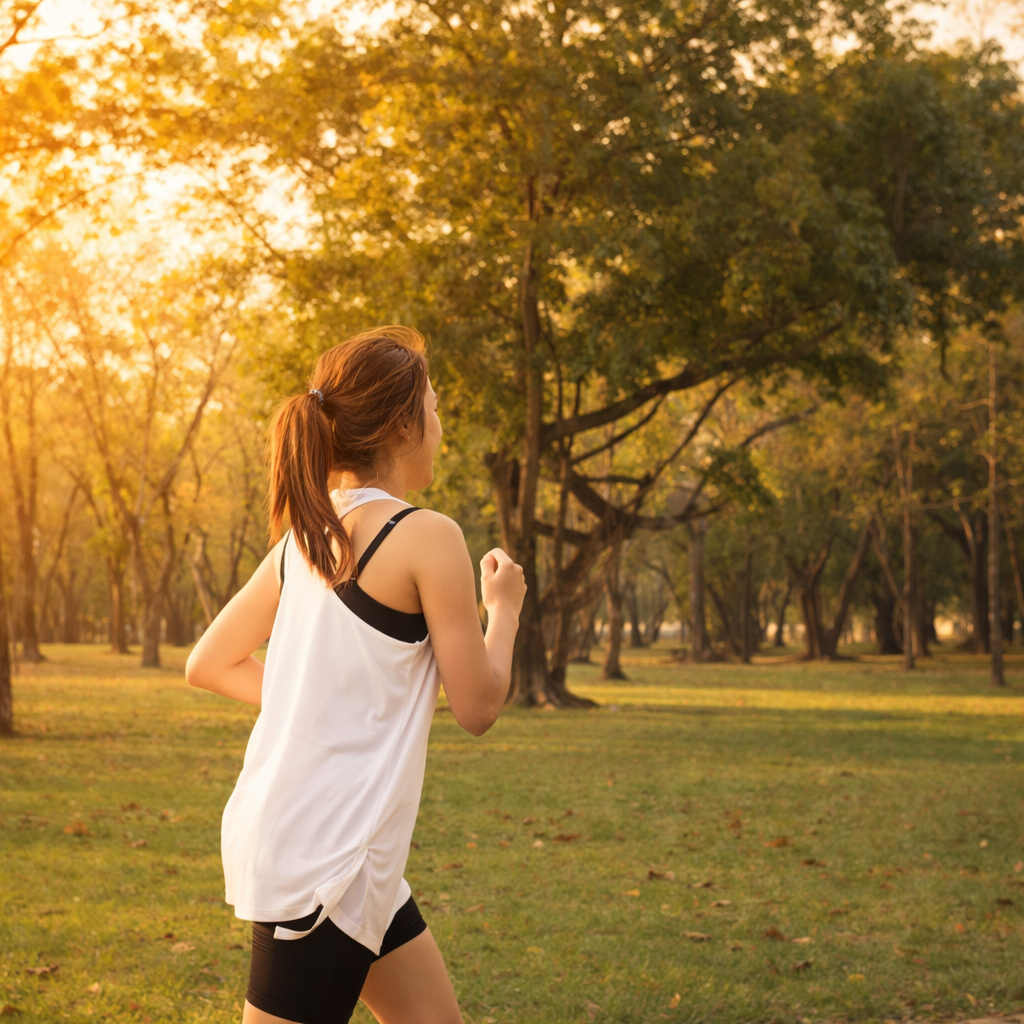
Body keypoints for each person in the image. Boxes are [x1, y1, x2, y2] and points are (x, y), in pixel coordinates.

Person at [185, 326, 527, 1024]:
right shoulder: (427, 536)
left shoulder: (302, 541)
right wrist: (505, 610)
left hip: (350, 858)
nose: (441, 428)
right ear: (403, 424)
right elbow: (479, 705)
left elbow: (210, 662)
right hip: (326, 865)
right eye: (435, 409)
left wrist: (308, 701)